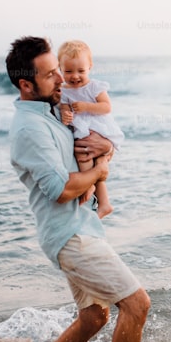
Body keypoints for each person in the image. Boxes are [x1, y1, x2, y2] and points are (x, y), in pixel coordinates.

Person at [6, 36, 151, 342]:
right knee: (137, 304)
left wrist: (105, 150)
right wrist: (100, 172)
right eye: (50, 75)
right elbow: (61, 191)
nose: (60, 80)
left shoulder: (53, 113)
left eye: (59, 71)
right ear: (26, 85)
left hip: (80, 227)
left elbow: (91, 141)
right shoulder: (30, 128)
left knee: (94, 317)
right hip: (70, 235)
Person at [56, 40, 125, 219]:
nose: (75, 76)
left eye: (81, 71)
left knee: (95, 159)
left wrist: (87, 106)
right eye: (68, 71)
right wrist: (66, 114)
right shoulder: (63, 91)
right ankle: (101, 199)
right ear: (60, 68)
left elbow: (106, 107)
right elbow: (64, 107)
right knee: (84, 158)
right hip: (81, 129)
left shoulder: (94, 86)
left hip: (99, 127)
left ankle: (97, 194)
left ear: (90, 67)